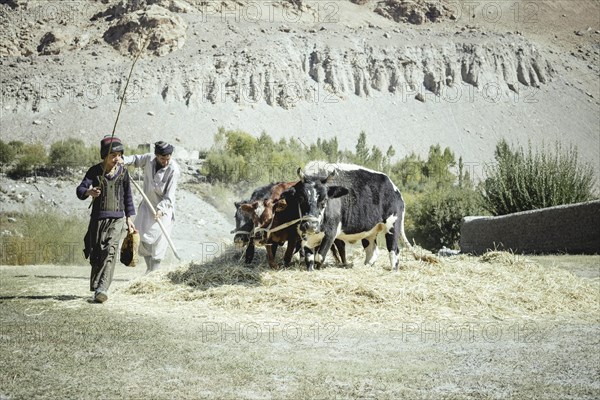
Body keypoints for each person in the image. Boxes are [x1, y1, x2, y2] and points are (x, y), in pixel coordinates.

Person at [76, 136, 136, 303]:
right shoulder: (95, 171)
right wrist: (89, 192)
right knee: (97, 253)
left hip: (117, 219)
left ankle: (103, 288)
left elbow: (128, 197)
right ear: (104, 155)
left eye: (119, 155)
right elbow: (80, 189)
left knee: (110, 250)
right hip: (98, 219)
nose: (117, 159)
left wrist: (129, 219)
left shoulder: (123, 172)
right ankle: (96, 288)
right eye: (113, 155)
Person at [123, 141, 180, 273]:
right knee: (140, 237)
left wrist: (161, 209)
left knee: (159, 242)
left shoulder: (173, 170)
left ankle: (153, 272)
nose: (165, 161)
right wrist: (124, 160)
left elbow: (169, 196)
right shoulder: (149, 159)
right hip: (146, 206)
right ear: (156, 156)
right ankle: (149, 269)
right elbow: (136, 159)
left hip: (163, 210)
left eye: (168, 158)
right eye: (162, 158)